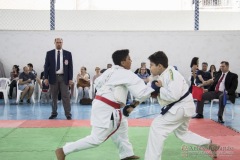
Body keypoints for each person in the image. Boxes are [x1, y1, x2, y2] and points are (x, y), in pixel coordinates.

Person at [55, 49, 154, 160]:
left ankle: (127, 153)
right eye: (129, 59)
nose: (131, 60)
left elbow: (97, 84)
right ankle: (64, 150)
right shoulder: (126, 74)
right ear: (122, 62)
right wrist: (154, 87)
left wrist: (111, 90)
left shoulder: (109, 71)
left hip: (102, 103)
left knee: (122, 127)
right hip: (107, 107)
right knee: (96, 139)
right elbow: (142, 92)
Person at [127, 51, 219, 160]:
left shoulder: (172, 74)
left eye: (151, 65)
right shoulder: (158, 76)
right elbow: (146, 92)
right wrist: (131, 106)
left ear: (160, 66)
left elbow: (174, 96)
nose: (149, 68)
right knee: (183, 133)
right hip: (181, 108)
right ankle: (209, 144)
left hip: (181, 107)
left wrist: (160, 89)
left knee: (157, 127)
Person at [44, 38, 73, 120]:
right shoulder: (49, 53)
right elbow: (46, 66)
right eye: (57, 42)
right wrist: (46, 78)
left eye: (60, 42)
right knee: (53, 96)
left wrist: (70, 78)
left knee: (66, 96)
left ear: (62, 43)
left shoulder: (68, 54)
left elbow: (70, 67)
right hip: (53, 78)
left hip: (64, 78)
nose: (59, 44)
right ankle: (54, 113)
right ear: (54, 43)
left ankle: (68, 114)